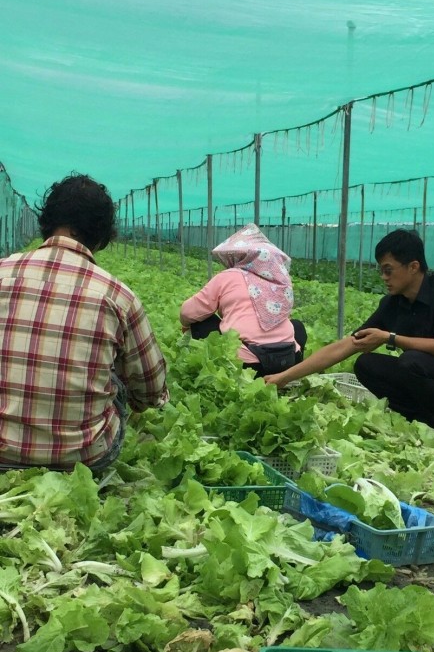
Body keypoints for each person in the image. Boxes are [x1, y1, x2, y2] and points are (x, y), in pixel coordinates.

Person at [0, 173, 169, 472]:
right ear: (102, 237)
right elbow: (151, 391)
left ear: (46, 222)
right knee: (117, 377)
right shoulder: (118, 295)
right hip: (81, 461)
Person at [265, 228, 434, 440]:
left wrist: (390, 338)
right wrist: (284, 377)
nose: (384, 278)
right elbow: (345, 346)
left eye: (389, 271)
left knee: (411, 361)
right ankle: (423, 420)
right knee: (366, 364)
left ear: (413, 267)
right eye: (381, 271)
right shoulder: (392, 304)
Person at [180, 223, 306, 376]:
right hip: (289, 361)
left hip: (247, 367)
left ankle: (224, 373)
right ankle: (294, 372)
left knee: (199, 321)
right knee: (297, 325)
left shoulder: (228, 276)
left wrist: (186, 326)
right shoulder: (281, 280)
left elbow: (188, 312)